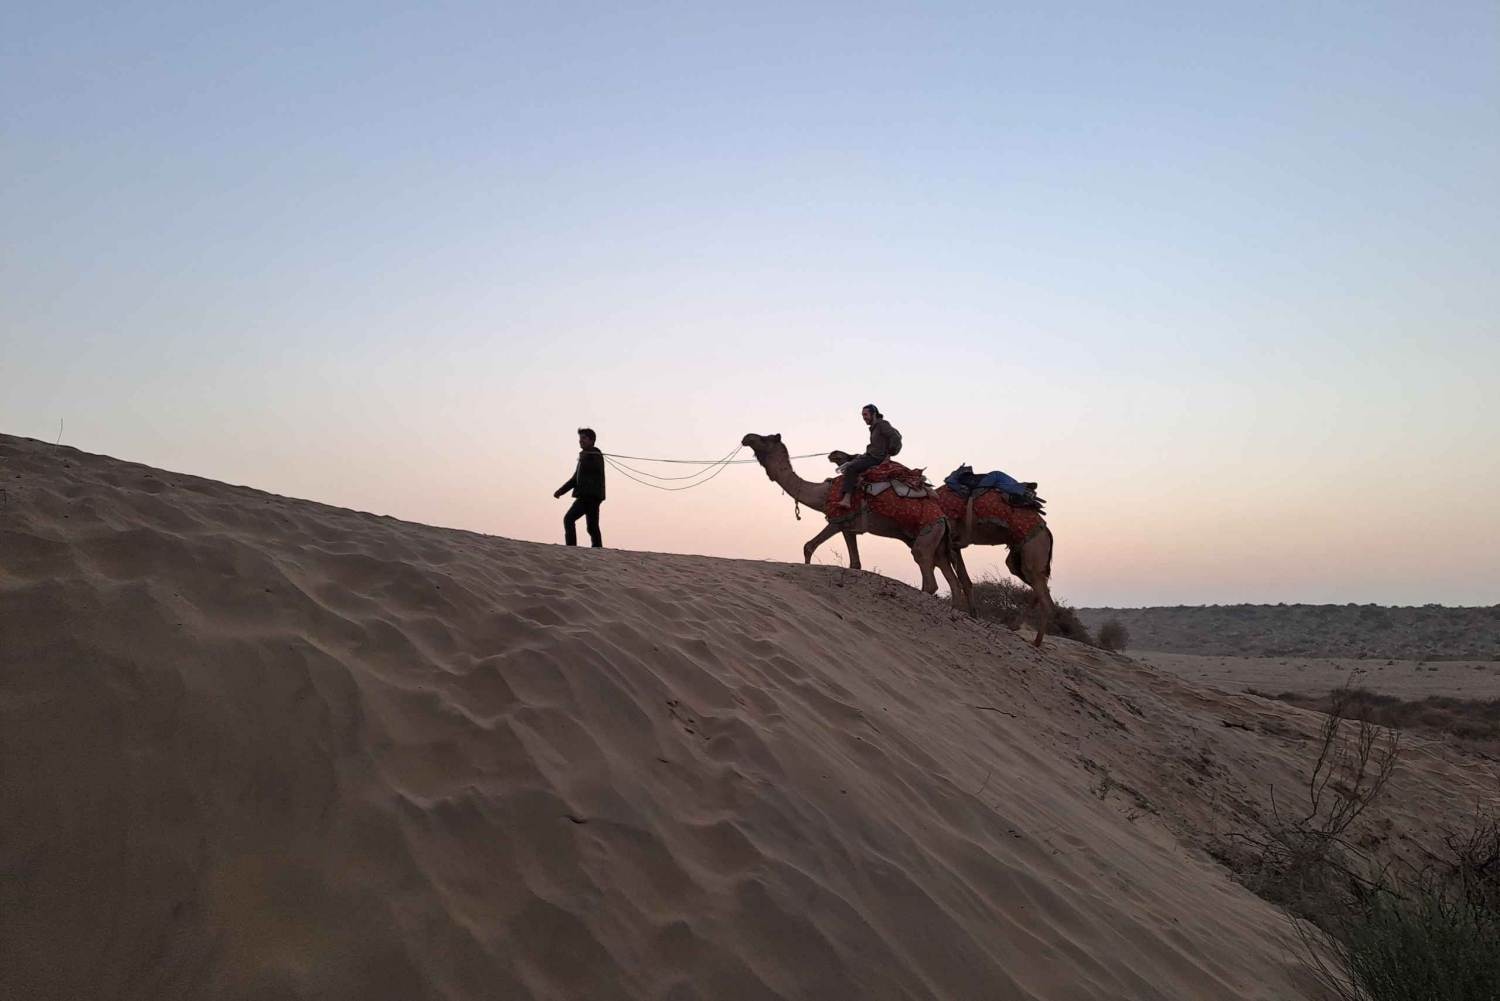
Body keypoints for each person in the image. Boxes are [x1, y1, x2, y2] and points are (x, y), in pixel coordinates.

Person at [835, 404, 902, 510]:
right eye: (862, 415)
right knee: (850, 463)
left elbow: (895, 437)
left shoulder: (882, 424)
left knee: (851, 468)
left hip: (877, 458)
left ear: (873, 414)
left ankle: (847, 499)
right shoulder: (874, 428)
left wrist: (889, 454)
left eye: (865, 414)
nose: (864, 418)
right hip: (872, 455)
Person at [554, 428, 605, 547]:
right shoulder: (585, 456)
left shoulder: (595, 454)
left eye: (584, 438)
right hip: (588, 495)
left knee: (569, 519)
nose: (581, 441)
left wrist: (584, 457)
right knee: (592, 526)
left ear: (591, 440)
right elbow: (575, 479)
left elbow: (595, 468)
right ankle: (598, 549)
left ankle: (572, 548)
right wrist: (561, 491)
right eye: (580, 438)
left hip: (591, 496)